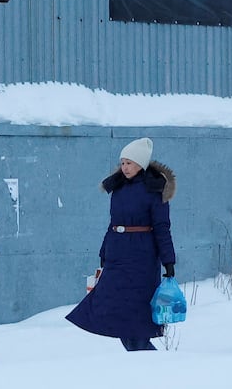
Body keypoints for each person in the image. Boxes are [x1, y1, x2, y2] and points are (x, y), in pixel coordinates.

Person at [66, 137, 177, 351]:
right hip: (117, 256)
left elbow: (162, 227)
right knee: (110, 307)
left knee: (136, 317)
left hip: (142, 259)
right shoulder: (117, 187)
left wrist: (168, 262)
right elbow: (113, 223)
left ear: (141, 164)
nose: (124, 167)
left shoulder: (154, 190)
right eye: (123, 162)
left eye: (130, 163)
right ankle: (142, 359)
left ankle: (150, 363)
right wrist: (104, 251)